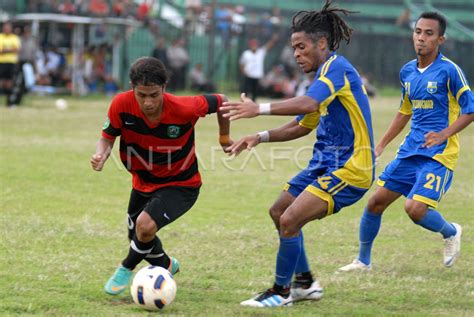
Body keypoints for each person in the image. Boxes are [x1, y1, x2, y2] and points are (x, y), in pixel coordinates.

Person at [221, 1, 374, 307]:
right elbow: (303, 126)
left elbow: (306, 104)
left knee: (291, 219)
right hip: (324, 164)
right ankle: (304, 284)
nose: (296, 54)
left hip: (351, 169)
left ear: (321, 43)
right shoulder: (320, 79)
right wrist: (260, 136)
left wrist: (259, 108)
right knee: (279, 212)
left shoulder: (337, 69)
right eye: (294, 48)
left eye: (301, 47)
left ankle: (281, 292)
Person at [338, 12, 473, 273]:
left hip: (439, 155)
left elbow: (471, 109)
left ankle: (451, 231)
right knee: (375, 202)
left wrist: (444, 134)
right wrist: (381, 145)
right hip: (410, 151)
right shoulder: (407, 71)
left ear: (441, 39)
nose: (421, 38)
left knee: (414, 208)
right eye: (418, 32)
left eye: (429, 33)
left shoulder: (450, 71)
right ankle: (363, 261)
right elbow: (404, 112)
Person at [90, 57, 232, 295]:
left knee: (144, 227)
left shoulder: (185, 107)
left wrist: (224, 137)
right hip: (143, 182)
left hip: (181, 184)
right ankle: (166, 265)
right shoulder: (120, 104)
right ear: (132, 87)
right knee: (138, 235)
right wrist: (100, 154)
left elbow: (222, 102)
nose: (147, 102)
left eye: (154, 95)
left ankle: (126, 267)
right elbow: (107, 136)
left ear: (164, 88)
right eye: (141, 95)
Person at [239, 34, 278, 101]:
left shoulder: (260, 52)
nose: (254, 46)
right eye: (252, 45)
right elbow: (241, 64)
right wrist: (243, 72)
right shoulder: (246, 53)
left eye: (255, 45)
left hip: (257, 75)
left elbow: (268, 46)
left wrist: (273, 40)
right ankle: (245, 101)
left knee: (255, 92)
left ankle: (253, 103)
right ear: (250, 46)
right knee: (246, 90)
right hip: (248, 75)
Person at [0, 21, 21, 107]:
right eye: (5, 27)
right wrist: (10, 49)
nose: (6, 29)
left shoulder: (14, 38)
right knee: (1, 82)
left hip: (11, 63)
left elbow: (17, 49)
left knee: (9, 82)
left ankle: (9, 102)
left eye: (8, 27)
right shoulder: (0, 37)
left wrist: (5, 50)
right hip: (1, 62)